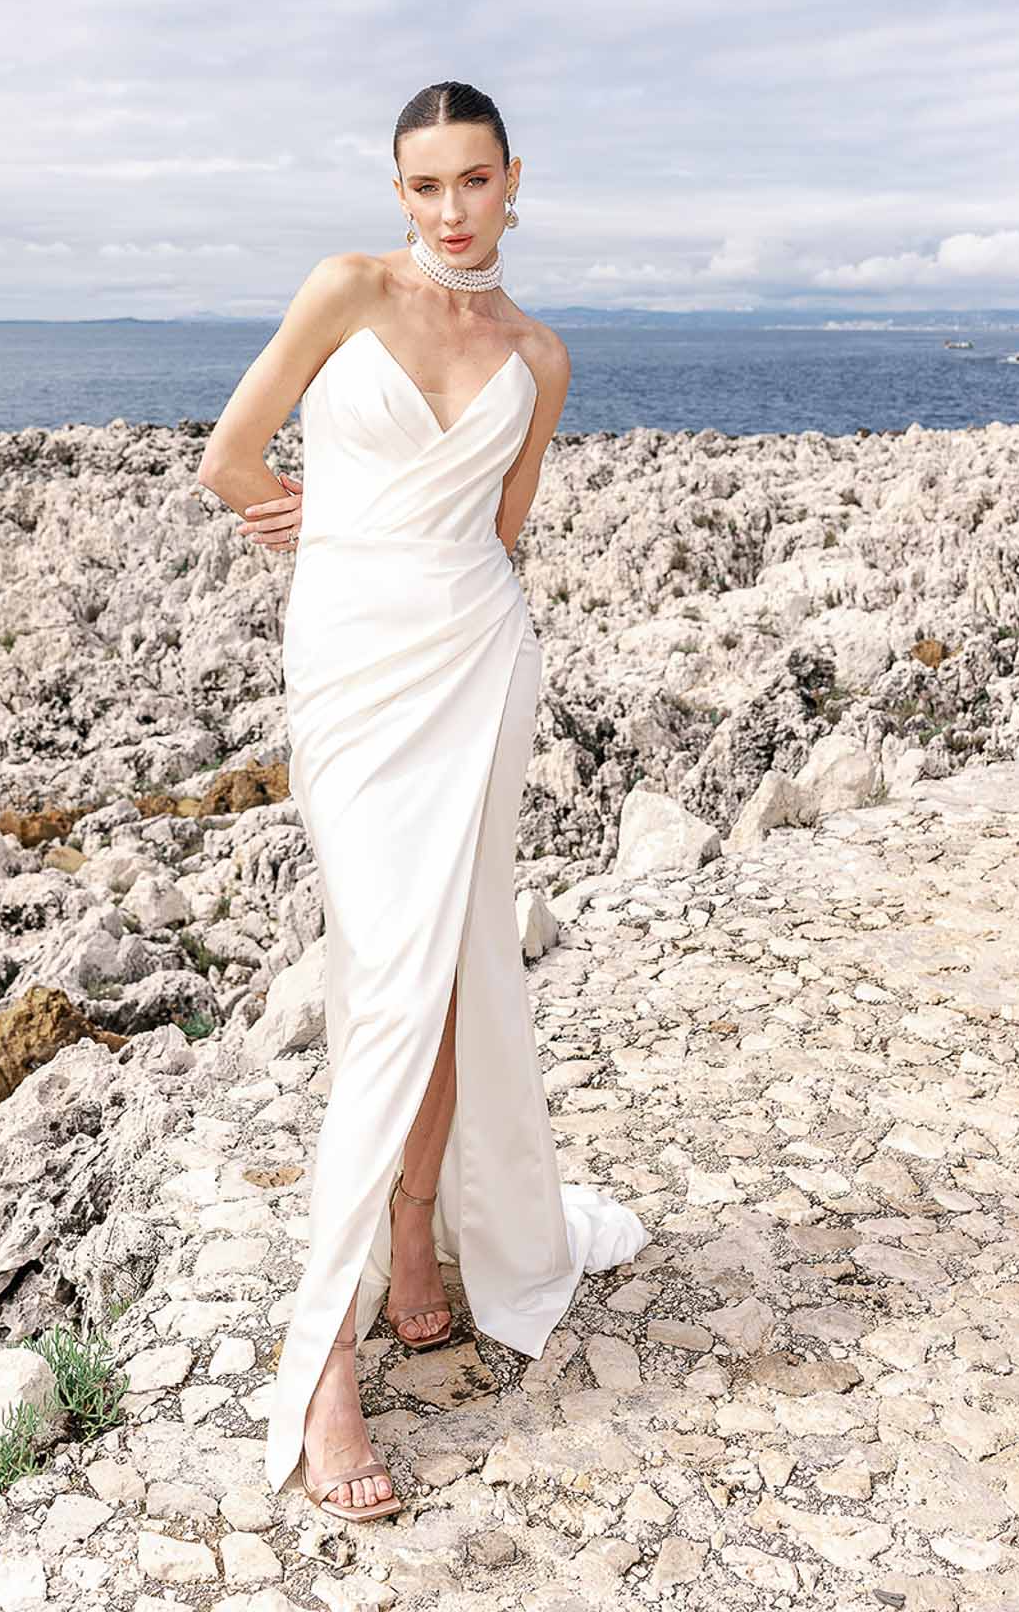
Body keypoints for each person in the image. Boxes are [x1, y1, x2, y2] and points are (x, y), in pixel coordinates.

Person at [196, 79, 648, 1524]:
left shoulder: (540, 356)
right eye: (424, 187)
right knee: (384, 979)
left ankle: (411, 1251)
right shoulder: (347, 289)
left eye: (473, 181)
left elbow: (500, 534)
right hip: (352, 665)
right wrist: (337, 530)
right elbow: (227, 461)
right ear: (397, 194)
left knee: (448, 972)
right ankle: (320, 1358)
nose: (450, 211)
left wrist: (416, 549)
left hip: (478, 660)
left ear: (516, 181)